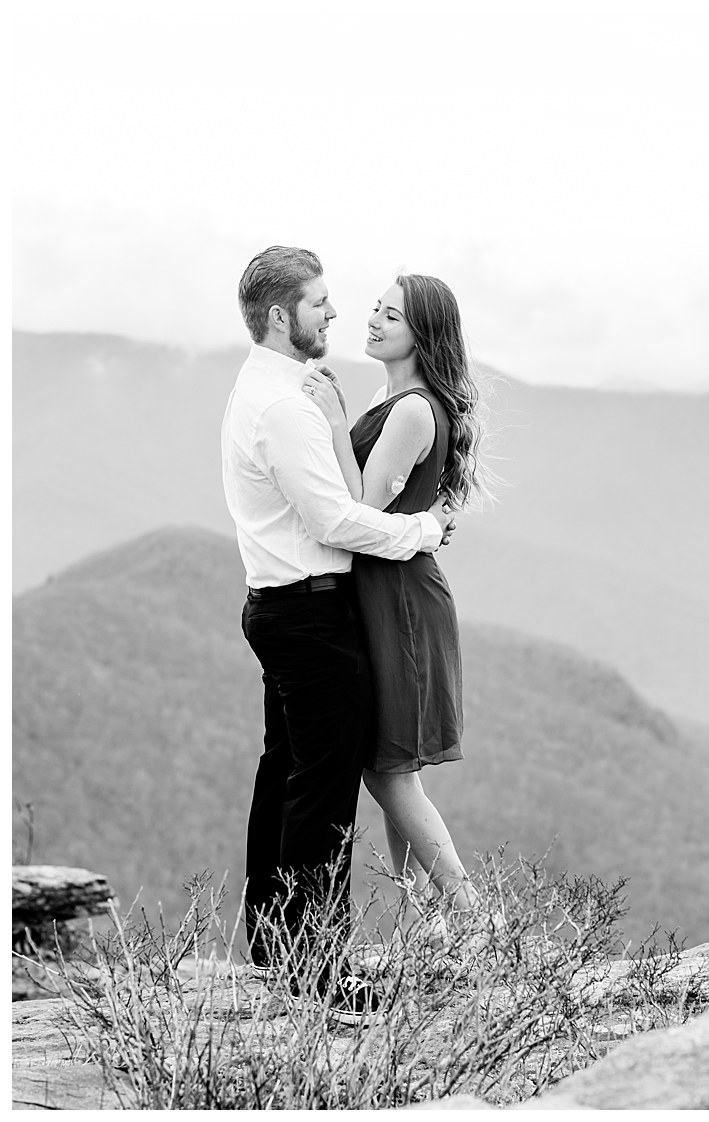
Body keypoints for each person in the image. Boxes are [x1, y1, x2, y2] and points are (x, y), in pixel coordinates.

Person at [223, 246, 454, 1023]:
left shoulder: (262, 387)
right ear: (284, 315)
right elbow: (336, 519)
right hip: (310, 612)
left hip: (282, 604)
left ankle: (274, 942)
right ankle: (318, 968)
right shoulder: (287, 405)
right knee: (321, 791)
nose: (335, 312)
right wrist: (421, 530)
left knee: (286, 771)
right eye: (320, 302)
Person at [300, 273, 489, 929]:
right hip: (387, 590)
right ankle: (425, 925)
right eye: (376, 310)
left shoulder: (411, 409)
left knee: (387, 772)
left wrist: (329, 422)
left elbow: (361, 506)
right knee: (392, 765)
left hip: (398, 602)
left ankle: (470, 915)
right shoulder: (399, 398)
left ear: (422, 334)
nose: (374, 321)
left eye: (392, 316)